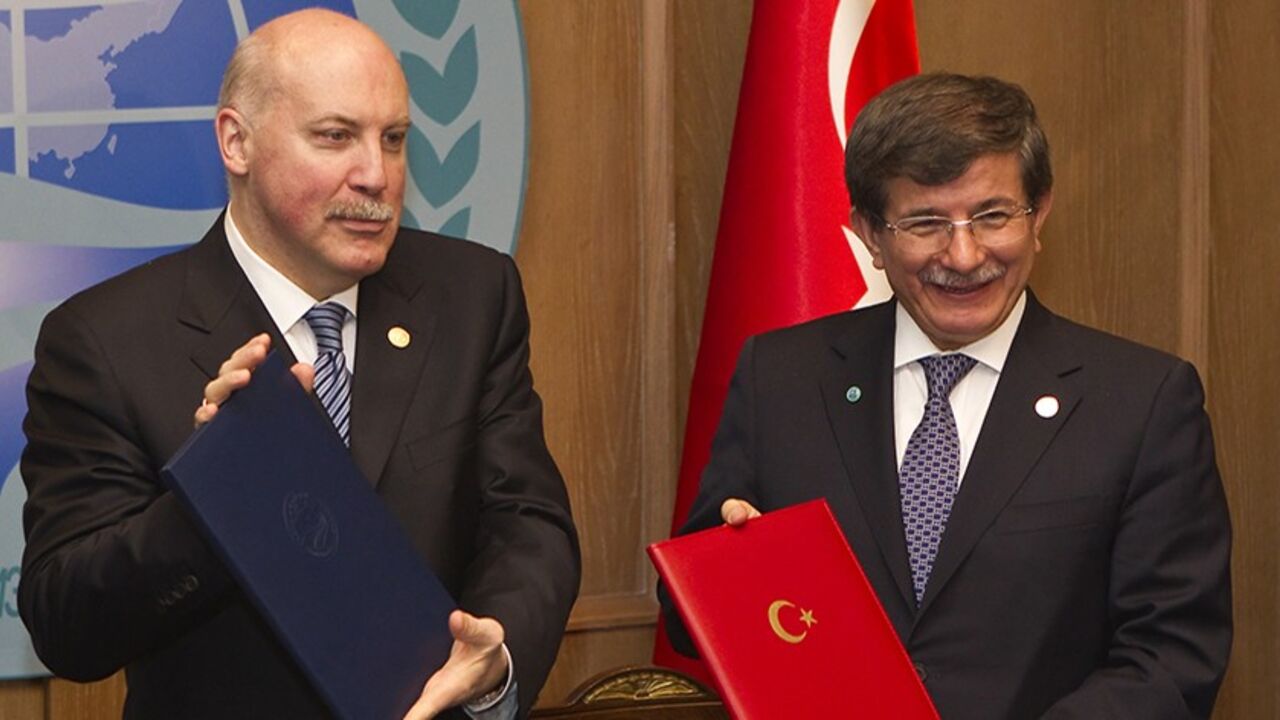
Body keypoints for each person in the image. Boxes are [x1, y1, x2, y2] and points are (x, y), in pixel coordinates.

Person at [19, 9, 579, 719]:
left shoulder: (472, 295)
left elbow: (527, 524)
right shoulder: (104, 339)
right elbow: (67, 625)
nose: (377, 175)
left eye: (395, 139)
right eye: (335, 137)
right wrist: (219, 489)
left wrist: (493, 657)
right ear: (237, 142)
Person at [663, 73, 1231, 719]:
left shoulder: (1142, 399)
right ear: (870, 235)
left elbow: (1173, 655)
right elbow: (687, 620)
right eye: (926, 222)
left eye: (992, 216)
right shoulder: (784, 377)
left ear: (1038, 214)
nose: (963, 256)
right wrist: (731, 569)